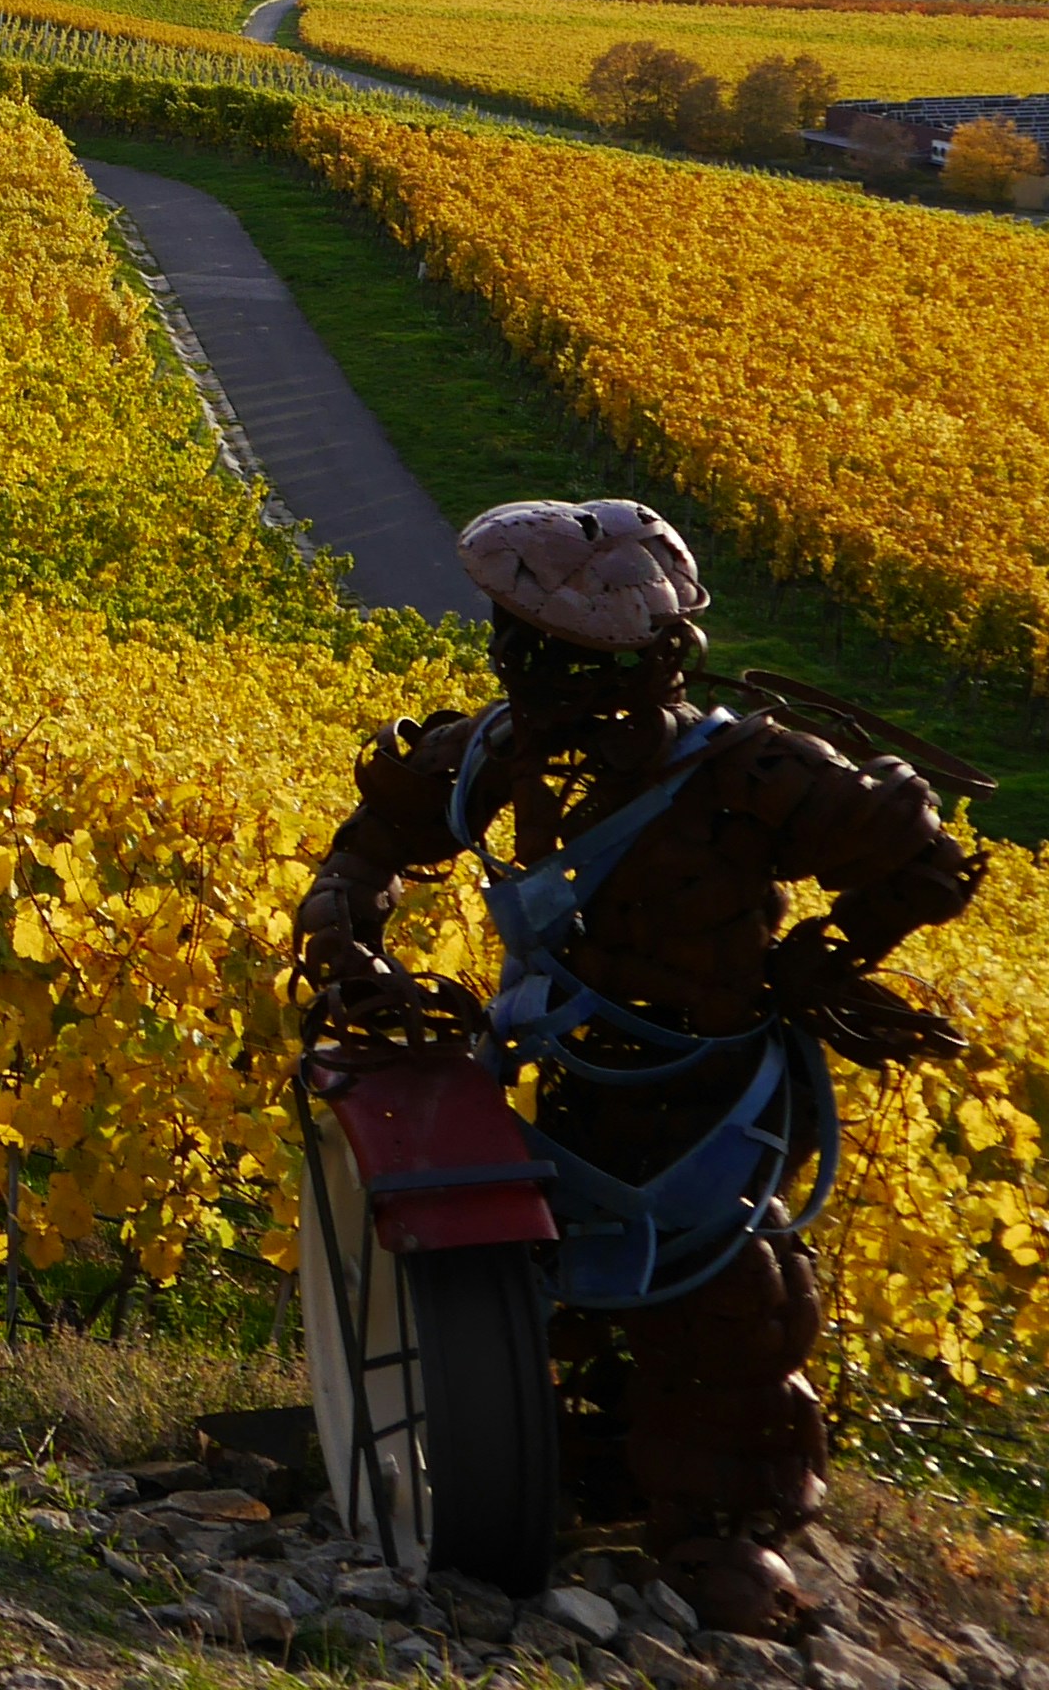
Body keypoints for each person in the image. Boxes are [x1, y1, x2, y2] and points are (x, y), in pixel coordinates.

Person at [292, 499, 984, 1635]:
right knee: (547, 1286)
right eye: (522, 645)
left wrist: (826, 959)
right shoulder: (486, 758)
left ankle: (713, 1530)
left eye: (562, 655)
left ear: (659, 656)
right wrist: (350, 948)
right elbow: (364, 851)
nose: (532, 672)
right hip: (562, 1085)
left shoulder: (750, 777)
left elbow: (923, 857)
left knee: (735, 1314)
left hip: (714, 1102)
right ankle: (554, 1460)